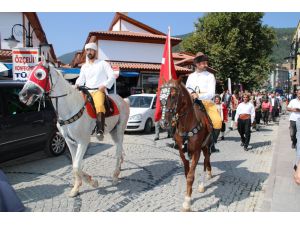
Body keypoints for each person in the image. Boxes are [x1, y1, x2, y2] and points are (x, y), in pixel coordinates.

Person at [75, 42, 116, 141]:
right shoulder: (84, 66)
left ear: (95, 51)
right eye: (87, 50)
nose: (89, 52)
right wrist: (76, 85)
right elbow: (81, 79)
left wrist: (104, 85)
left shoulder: (103, 63)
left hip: (98, 90)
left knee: (99, 105)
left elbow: (112, 76)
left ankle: (100, 130)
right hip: (86, 90)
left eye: (91, 50)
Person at [185, 52, 222, 153]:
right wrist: (192, 93)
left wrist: (199, 96)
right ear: (197, 64)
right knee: (177, 117)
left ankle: (212, 144)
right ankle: (180, 141)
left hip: (207, 102)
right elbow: (187, 87)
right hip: (192, 102)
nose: (206, 65)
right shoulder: (191, 76)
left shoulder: (210, 76)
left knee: (218, 121)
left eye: (206, 62)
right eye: (203, 63)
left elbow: (211, 93)